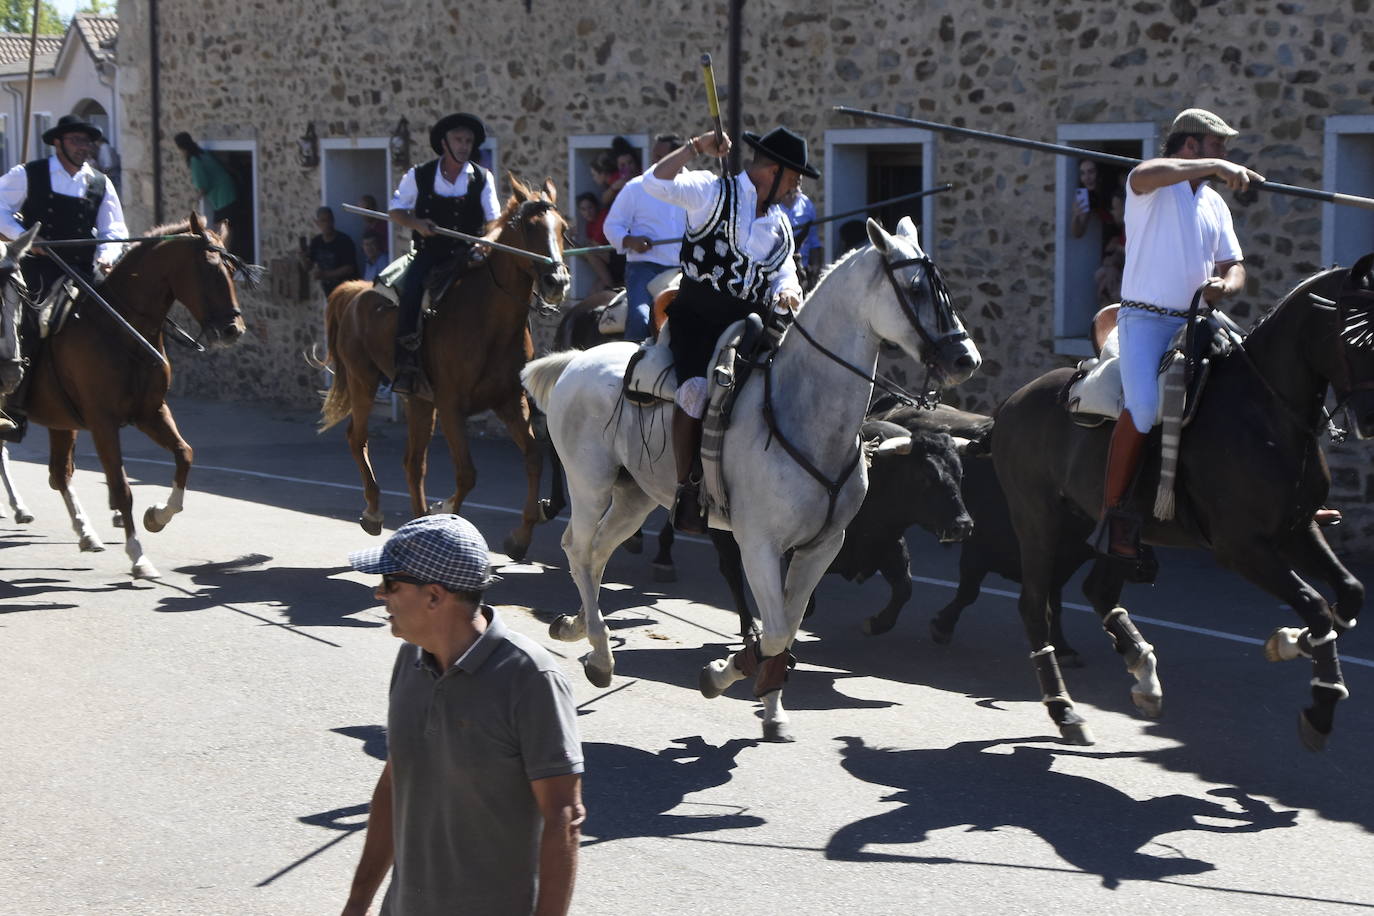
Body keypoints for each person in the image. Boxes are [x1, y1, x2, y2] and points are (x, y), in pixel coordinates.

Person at [341, 514, 584, 916]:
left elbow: (564, 817)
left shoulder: (530, 677)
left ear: (434, 596)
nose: (378, 594)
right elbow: (395, 784)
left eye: (390, 583)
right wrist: (357, 903)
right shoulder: (410, 659)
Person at [1094, 108, 1259, 560]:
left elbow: (1234, 264)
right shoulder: (1149, 185)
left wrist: (1226, 286)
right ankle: (1114, 514)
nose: (1225, 154)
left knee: (1260, 382)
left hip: (1200, 320)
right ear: (1191, 144)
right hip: (1145, 320)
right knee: (1144, 408)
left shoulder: (1213, 202)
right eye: (1217, 145)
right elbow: (1149, 171)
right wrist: (1217, 167)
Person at [643, 125, 812, 533]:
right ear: (772, 172)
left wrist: (788, 290)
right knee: (696, 395)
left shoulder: (780, 226)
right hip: (697, 322)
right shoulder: (710, 192)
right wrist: (696, 146)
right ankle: (686, 490)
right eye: (793, 179)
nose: (797, 188)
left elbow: (784, 272)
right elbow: (654, 182)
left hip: (749, 327)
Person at [0, 114, 129, 436]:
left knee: (126, 316)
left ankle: (131, 391)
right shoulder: (28, 174)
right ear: (57, 142)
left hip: (85, 271)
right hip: (38, 270)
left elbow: (114, 229)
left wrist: (106, 256)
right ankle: (12, 406)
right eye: (76, 140)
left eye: (87, 142)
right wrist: (27, 238)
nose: (84, 148)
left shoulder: (100, 182)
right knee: (27, 326)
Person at [387, 112, 501, 396]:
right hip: (431, 253)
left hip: (469, 254)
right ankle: (406, 365)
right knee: (411, 292)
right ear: (444, 143)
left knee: (506, 289)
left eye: (468, 141)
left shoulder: (483, 178)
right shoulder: (419, 175)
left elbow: (495, 222)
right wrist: (416, 224)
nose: (464, 145)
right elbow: (396, 210)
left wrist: (487, 239)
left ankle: (515, 362)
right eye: (458, 139)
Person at [602, 132, 686, 341]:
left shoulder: (698, 187)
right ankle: (631, 367)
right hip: (644, 269)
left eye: (660, 156)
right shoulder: (636, 187)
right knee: (640, 319)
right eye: (654, 155)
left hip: (687, 270)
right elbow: (611, 226)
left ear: (678, 157)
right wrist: (630, 241)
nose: (654, 161)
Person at [173, 131, 237, 226]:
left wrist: (194, 201)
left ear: (182, 148)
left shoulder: (195, 161)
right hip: (228, 192)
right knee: (225, 226)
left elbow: (203, 186)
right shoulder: (203, 153)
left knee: (223, 228)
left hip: (223, 197)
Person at [307, 206, 359, 296]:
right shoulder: (316, 242)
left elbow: (349, 269)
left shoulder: (344, 241)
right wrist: (302, 257)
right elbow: (308, 266)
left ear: (333, 221)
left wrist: (324, 275)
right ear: (317, 223)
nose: (327, 224)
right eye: (323, 221)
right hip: (329, 293)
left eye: (329, 220)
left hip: (348, 292)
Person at [781, 179, 822, 290]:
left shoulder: (806, 204)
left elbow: (814, 240)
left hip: (802, 267)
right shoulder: (773, 204)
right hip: (780, 269)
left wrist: (815, 266)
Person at [573, 191, 613, 294]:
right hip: (609, 263)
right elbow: (585, 256)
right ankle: (608, 286)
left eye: (590, 208)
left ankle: (611, 287)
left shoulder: (604, 216)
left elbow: (592, 249)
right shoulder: (590, 225)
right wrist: (567, 238)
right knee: (592, 293)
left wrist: (588, 245)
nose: (587, 212)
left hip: (620, 258)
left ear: (596, 207)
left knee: (590, 251)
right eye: (583, 209)